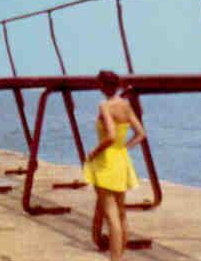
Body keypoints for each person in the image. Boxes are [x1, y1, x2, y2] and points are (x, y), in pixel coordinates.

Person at [83, 70, 146, 261]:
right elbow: (141, 134)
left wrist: (93, 153)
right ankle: (120, 255)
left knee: (111, 216)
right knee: (121, 213)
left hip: (106, 161)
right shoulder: (126, 105)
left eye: (99, 84)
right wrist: (124, 147)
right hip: (121, 158)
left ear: (103, 85)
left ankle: (115, 259)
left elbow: (110, 135)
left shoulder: (104, 105)